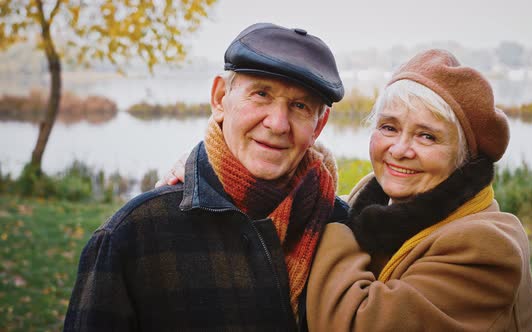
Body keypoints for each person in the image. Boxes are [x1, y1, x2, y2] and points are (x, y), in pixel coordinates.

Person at [64, 22, 348, 331]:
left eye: (299, 106)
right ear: (219, 99)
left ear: (319, 126)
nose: (278, 124)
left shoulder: (341, 226)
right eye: (261, 94)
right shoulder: (134, 235)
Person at [305, 49, 532, 331]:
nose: (400, 150)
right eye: (389, 127)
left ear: (464, 157)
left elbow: (358, 324)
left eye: (427, 136)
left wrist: (327, 216)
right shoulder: (372, 200)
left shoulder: (487, 245)